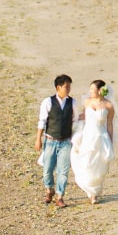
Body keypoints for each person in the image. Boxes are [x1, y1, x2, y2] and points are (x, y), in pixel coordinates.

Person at [35, 74, 82, 208]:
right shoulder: (48, 102)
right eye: (66, 86)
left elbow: (75, 120)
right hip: (50, 140)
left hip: (66, 141)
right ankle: (49, 189)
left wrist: (75, 139)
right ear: (58, 87)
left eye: (69, 86)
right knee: (47, 169)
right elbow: (42, 121)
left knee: (63, 171)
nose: (68, 89)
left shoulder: (72, 102)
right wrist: (38, 139)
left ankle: (60, 196)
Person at [71, 79, 117, 204]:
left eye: (93, 89)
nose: (90, 91)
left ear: (100, 90)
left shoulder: (108, 106)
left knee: (99, 167)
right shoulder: (87, 102)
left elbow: (110, 125)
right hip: (88, 136)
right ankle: (89, 190)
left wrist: (110, 142)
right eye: (90, 89)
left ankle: (94, 194)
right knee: (87, 163)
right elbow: (83, 117)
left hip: (101, 137)